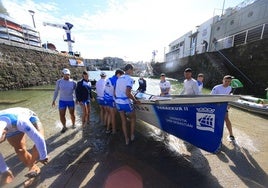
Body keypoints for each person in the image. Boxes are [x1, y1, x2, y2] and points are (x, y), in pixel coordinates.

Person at [0, 107, 48, 182]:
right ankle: (33, 168)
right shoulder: (4, 130)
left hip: (26, 117)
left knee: (38, 145)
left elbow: (39, 140)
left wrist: (43, 156)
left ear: (4, 133)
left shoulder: (21, 122)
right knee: (20, 150)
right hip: (9, 126)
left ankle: (33, 166)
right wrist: (4, 170)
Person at [115, 64, 141, 145]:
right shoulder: (129, 79)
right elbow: (128, 93)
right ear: (129, 69)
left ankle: (126, 139)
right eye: (132, 70)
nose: (133, 72)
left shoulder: (119, 78)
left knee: (123, 121)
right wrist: (135, 100)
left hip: (118, 102)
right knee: (133, 118)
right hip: (125, 102)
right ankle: (132, 135)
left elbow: (116, 92)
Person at [52, 68, 77, 133]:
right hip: (62, 101)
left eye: (68, 75)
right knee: (62, 115)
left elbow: (76, 92)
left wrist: (77, 99)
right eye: (66, 75)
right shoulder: (59, 82)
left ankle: (73, 124)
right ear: (63, 74)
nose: (67, 76)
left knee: (72, 114)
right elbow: (56, 91)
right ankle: (64, 126)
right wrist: (54, 100)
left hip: (71, 100)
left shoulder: (73, 82)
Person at [211, 75, 235, 141]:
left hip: (224, 106)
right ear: (223, 80)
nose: (227, 82)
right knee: (216, 120)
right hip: (215, 106)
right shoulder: (216, 88)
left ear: (230, 82)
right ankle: (215, 134)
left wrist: (229, 103)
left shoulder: (230, 88)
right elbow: (210, 98)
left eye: (228, 81)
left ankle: (231, 135)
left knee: (226, 118)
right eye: (225, 81)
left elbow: (229, 96)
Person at [104, 69, 124, 134]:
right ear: (118, 74)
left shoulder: (108, 79)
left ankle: (107, 129)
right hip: (111, 100)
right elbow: (115, 93)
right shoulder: (116, 80)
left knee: (109, 114)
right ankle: (114, 130)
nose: (121, 77)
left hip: (106, 98)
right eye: (121, 76)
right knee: (113, 115)